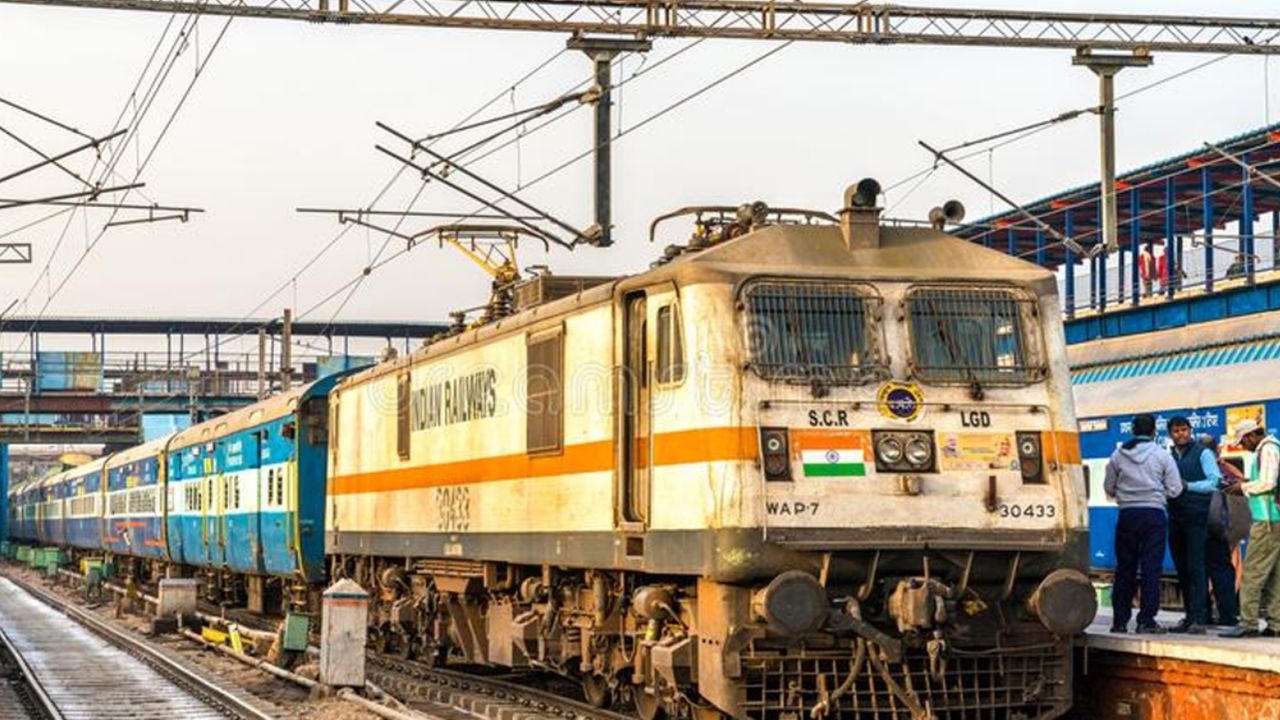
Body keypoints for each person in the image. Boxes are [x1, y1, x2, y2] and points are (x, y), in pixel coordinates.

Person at [1104, 414, 1183, 634]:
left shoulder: (1117, 456)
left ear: (1132, 430)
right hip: (1154, 515)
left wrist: (1127, 493)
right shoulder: (1162, 455)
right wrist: (1158, 495)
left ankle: (1119, 621)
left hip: (1128, 515)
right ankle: (1146, 620)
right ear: (1153, 432)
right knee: (1151, 568)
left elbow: (1109, 488)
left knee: (1125, 568)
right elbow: (1176, 489)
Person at [1164, 418, 1235, 633]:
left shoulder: (1202, 453)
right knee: (1185, 568)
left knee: (1198, 567)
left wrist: (1188, 486)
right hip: (1177, 517)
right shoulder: (1170, 457)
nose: (1181, 434)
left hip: (1201, 517)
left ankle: (1201, 617)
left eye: (1184, 430)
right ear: (1170, 434)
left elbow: (1214, 481)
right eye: (1176, 431)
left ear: (1190, 430)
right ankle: (1193, 615)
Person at [1222, 420, 1280, 638]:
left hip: (1266, 521)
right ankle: (1276, 624)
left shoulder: (1267, 450)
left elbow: (1267, 483)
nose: (1243, 446)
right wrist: (1247, 481)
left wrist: (1242, 487)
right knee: (1275, 576)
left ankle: (1248, 624)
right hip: (1274, 520)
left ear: (1250, 435)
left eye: (1243, 441)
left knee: (1253, 574)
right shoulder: (1273, 448)